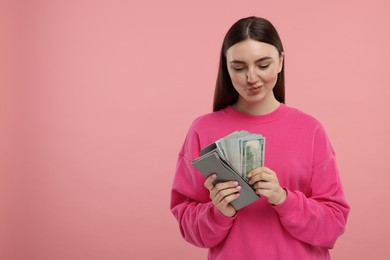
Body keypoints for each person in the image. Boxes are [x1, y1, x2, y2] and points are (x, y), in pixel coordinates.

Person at [170, 16, 350, 259]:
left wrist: (283, 198)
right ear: (226, 67)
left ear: (280, 62)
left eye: (263, 65)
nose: (251, 77)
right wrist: (219, 212)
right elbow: (189, 226)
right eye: (239, 67)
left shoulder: (310, 129)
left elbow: (334, 223)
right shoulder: (202, 129)